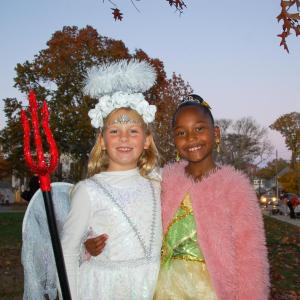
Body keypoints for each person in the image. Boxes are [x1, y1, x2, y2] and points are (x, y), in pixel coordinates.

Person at [60, 60, 162, 300]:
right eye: (114, 131)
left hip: (153, 288)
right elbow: (67, 249)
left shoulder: (158, 183)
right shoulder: (88, 191)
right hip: (104, 290)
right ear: (102, 141)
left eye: (133, 131)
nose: (123, 138)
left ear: (146, 140)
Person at [154, 94, 270, 299]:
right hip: (163, 288)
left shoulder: (235, 187)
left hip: (213, 291)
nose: (191, 138)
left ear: (216, 133)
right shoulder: (163, 182)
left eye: (199, 128)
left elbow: (251, 256)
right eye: (181, 132)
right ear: (174, 140)